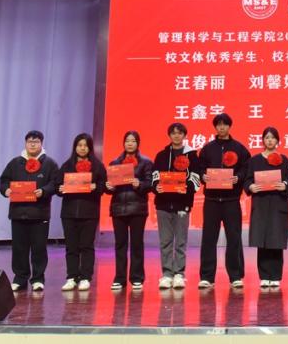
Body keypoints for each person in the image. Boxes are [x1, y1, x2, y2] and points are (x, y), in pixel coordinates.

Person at [0, 130, 60, 292]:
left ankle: (38, 279)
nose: (33, 144)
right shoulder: (15, 163)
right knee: (19, 248)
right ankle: (20, 278)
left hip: (40, 213)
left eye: (36, 141)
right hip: (18, 213)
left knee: (39, 248)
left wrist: (44, 191)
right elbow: (4, 181)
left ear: (41, 144)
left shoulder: (50, 164)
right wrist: (6, 190)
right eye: (30, 142)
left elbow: (56, 183)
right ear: (25, 144)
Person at [198, 112, 251, 289]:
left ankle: (235, 276)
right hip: (211, 200)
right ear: (215, 127)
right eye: (219, 124)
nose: (222, 127)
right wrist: (203, 176)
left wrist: (238, 177)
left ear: (229, 126)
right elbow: (199, 168)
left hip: (231, 200)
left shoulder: (239, 148)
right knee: (208, 238)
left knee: (234, 238)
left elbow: (246, 168)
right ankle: (207, 277)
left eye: (225, 124)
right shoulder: (208, 148)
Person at [245, 127, 288, 288]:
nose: (269, 140)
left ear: (277, 141)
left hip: (278, 203)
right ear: (263, 140)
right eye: (267, 137)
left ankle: (275, 276)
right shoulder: (254, 160)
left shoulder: (284, 160)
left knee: (276, 239)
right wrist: (251, 187)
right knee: (262, 240)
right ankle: (264, 276)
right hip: (260, 204)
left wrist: (285, 184)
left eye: (272, 138)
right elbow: (247, 180)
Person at [152, 122, 201, 290]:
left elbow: (196, 177)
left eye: (180, 133)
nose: (176, 135)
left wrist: (187, 189)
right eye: (173, 133)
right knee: (165, 241)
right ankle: (167, 274)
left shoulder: (192, 156)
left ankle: (179, 273)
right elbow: (155, 176)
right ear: (169, 135)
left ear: (184, 135)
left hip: (183, 204)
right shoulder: (161, 155)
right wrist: (156, 187)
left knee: (180, 241)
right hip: (163, 204)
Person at [56, 132, 107, 291]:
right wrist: (60, 189)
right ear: (75, 147)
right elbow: (57, 186)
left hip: (89, 213)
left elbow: (104, 186)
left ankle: (85, 277)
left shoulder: (98, 166)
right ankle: (71, 277)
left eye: (85, 145)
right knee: (71, 246)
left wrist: (95, 187)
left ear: (90, 147)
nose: (82, 148)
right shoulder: (67, 165)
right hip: (69, 213)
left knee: (87, 246)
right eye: (79, 145)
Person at [105, 130, 153, 291]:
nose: (130, 144)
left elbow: (150, 184)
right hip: (118, 208)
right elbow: (108, 188)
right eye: (127, 141)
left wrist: (140, 184)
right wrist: (109, 187)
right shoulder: (115, 163)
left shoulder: (146, 162)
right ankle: (119, 278)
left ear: (138, 143)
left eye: (133, 141)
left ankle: (137, 277)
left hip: (138, 208)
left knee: (137, 244)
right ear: (123, 143)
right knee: (120, 244)